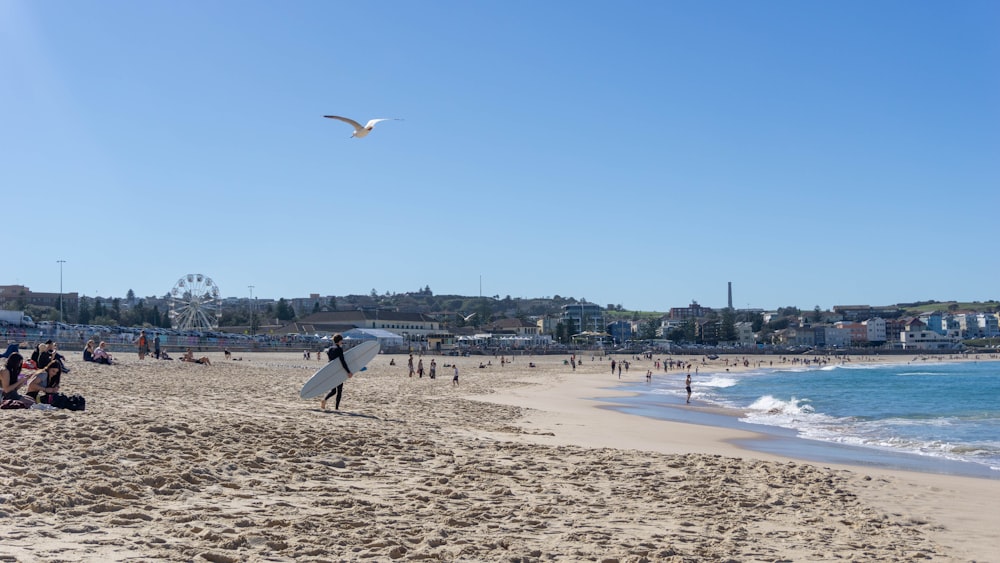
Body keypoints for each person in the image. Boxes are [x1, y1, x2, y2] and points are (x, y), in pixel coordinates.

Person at [321, 334, 352, 410]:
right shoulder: (339, 349)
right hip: (338, 371)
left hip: (331, 371)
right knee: (339, 390)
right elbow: (342, 361)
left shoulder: (330, 349)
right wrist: (348, 371)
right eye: (341, 340)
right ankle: (336, 408)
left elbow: (330, 361)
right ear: (339, 340)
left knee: (333, 390)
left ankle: (325, 399)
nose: (342, 341)